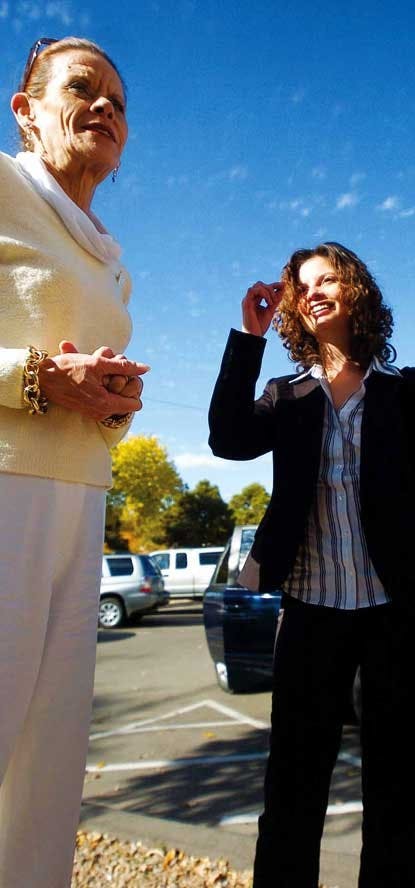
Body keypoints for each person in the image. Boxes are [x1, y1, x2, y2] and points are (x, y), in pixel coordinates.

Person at [209, 242, 415, 888]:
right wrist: (246, 336)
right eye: (301, 284)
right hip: (311, 616)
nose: (313, 290)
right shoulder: (285, 396)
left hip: (395, 621)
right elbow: (226, 440)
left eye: (327, 278)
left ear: (356, 290)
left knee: (393, 797)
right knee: (291, 790)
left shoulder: (414, 393)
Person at [0, 36, 148, 887]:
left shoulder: (111, 257)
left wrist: (114, 408)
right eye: (81, 88)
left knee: (47, 776)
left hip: (78, 504)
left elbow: (88, 409)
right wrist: (34, 376)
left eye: (118, 103)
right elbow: (37, 377)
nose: (104, 108)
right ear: (24, 111)